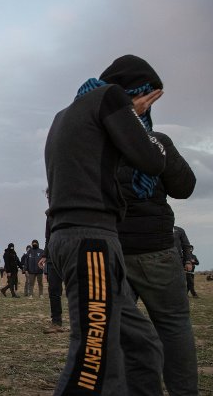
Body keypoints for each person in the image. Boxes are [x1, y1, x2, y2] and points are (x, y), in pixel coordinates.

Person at [45, 55, 167, 394]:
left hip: (79, 238)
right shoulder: (109, 98)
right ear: (135, 91)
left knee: (141, 345)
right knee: (92, 361)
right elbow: (151, 159)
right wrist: (136, 117)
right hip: (91, 242)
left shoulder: (67, 115)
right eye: (149, 98)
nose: (148, 107)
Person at [117, 122, 197, 395]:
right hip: (157, 249)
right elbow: (185, 187)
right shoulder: (155, 141)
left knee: (118, 328)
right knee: (173, 325)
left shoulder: (95, 143)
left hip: (113, 249)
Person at [174, 226, 199, 298]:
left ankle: (189, 295)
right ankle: (187, 294)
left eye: (191, 248)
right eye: (190, 248)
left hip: (191, 272)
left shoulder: (193, 256)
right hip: (185, 271)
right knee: (187, 283)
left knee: (190, 283)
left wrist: (191, 262)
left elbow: (197, 263)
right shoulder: (184, 255)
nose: (190, 249)